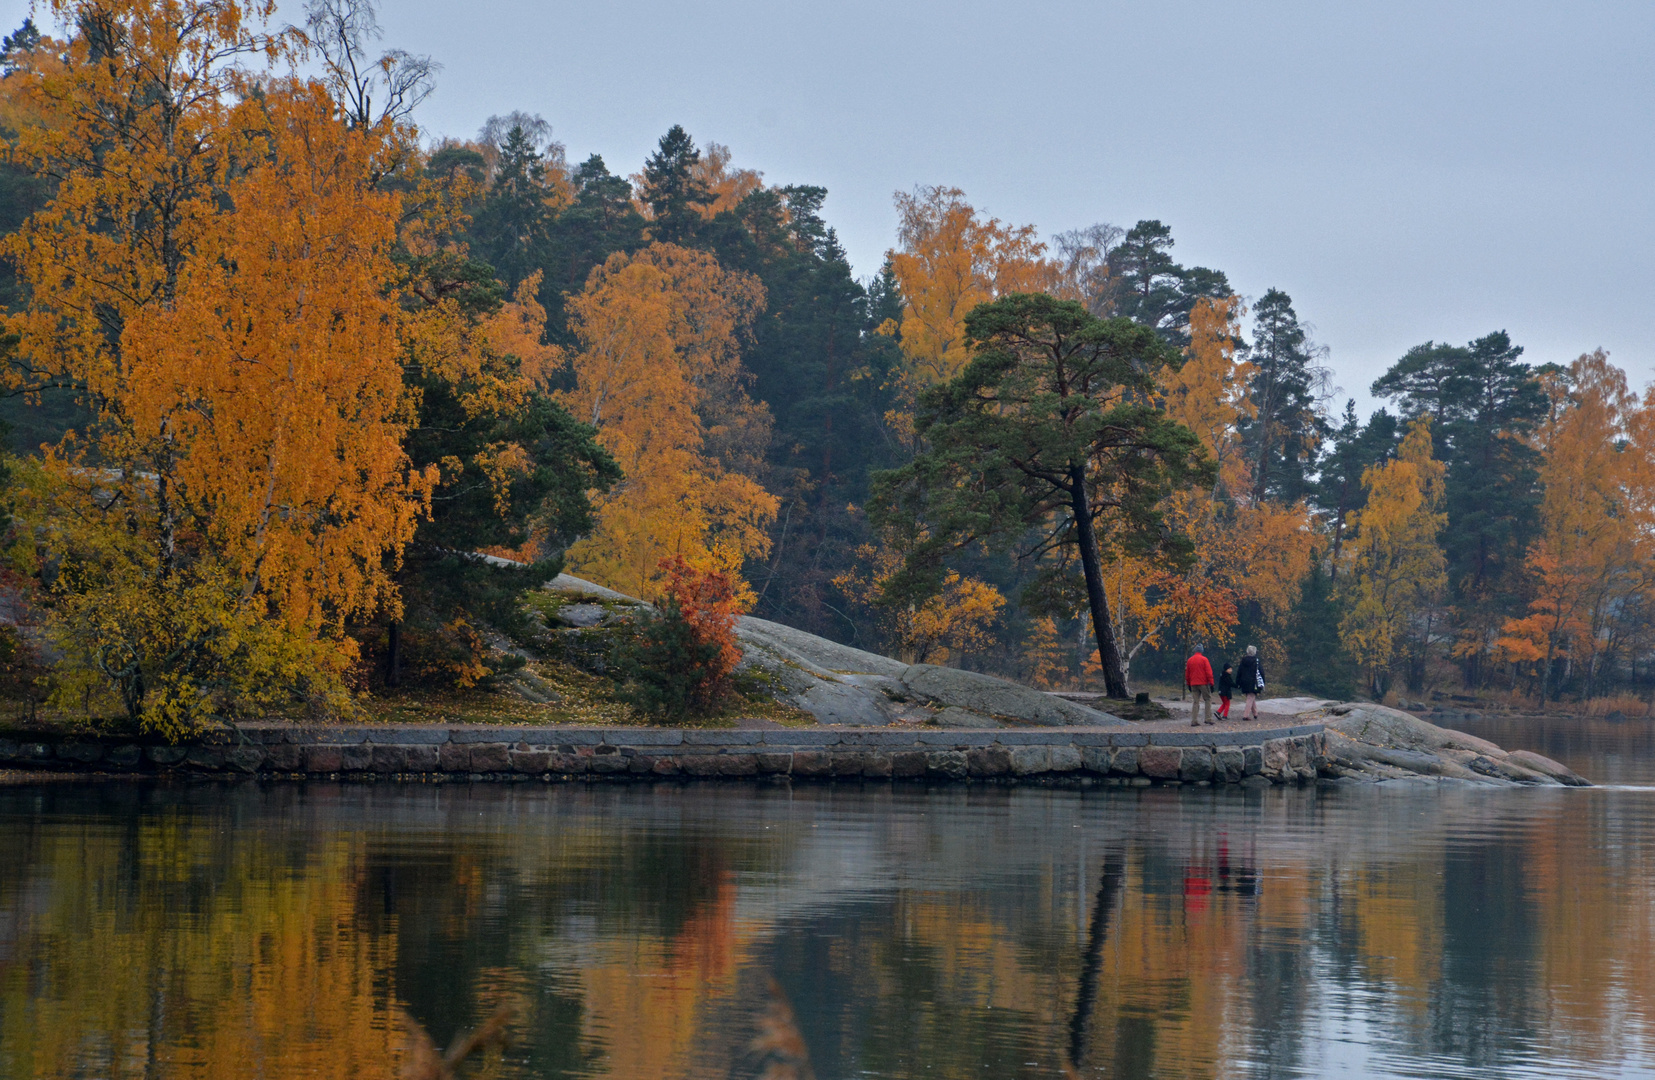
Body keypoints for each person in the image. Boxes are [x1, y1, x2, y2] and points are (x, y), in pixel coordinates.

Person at [1184, 645, 1215, 727]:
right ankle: (1208, 718)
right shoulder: (1204, 659)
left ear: (1195, 651)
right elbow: (1209, 672)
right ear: (1202, 651)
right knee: (1207, 699)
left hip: (1193, 683)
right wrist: (1211, 683)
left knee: (1195, 701)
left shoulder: (1190, 660)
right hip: (1203, 683)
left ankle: (1194, 720)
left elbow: (1187, 673)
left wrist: (1188, 683)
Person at [1236, 645, 1265, 721]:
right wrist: (1263, 682)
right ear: (1254, 652)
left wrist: (1238, 682)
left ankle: (1255, 714)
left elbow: (1239, 672)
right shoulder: (1256, 661)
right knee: (1250, 697)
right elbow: (1261, 672)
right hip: (1253, 682)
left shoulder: (1243, 661)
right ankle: (1245, 715)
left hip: (1244, 681)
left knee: (1251, 697)